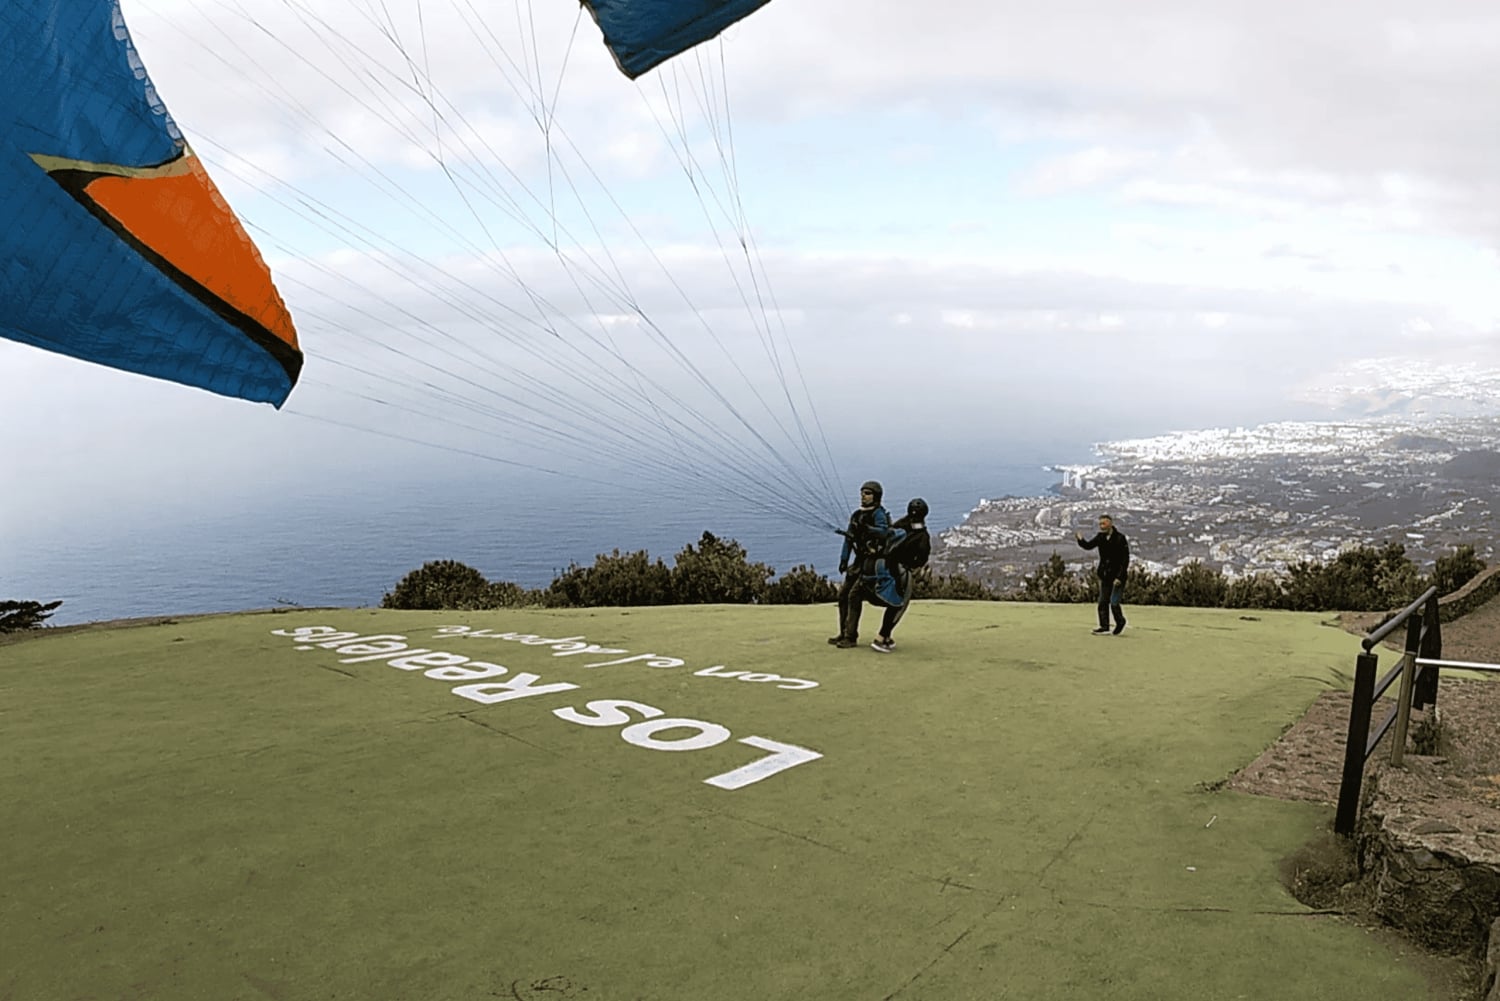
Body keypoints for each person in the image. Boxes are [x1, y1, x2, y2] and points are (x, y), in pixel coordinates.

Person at [829, 480, 891, 649]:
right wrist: (843, 559)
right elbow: (849, 539)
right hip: (857, 563)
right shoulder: (857, 516)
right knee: (843, 596)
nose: (863, 496)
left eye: (868, 493)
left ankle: (851, 636)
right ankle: (844, 632)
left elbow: (884, 533)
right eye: (862, 492)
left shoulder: (879, 515)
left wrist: (868, 529)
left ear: (876, 497)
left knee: (853, 597)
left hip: (871, 565)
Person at [871, 498, 931, 653]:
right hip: (902, 570)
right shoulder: (922, 535)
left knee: (893, 601)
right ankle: (882, 636)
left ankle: (886, 636)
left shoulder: (899, 525)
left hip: (884, 565)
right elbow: (923, 557)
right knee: (899, 604)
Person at [1076, 513, 1129, 635]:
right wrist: (1080, 539)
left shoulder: (1120, 538)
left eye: (1103, 523)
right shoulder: (1100, 537)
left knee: (1114, 602)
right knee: (1103, 601)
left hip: (1117, 576)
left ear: (1110, 524)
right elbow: (1089, 546)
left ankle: (1120, 621)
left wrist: (1119, 577)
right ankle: (1104, 626)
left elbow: (1124, 560)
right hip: (1105, 575)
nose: (1101, 526)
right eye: (1100, 524)